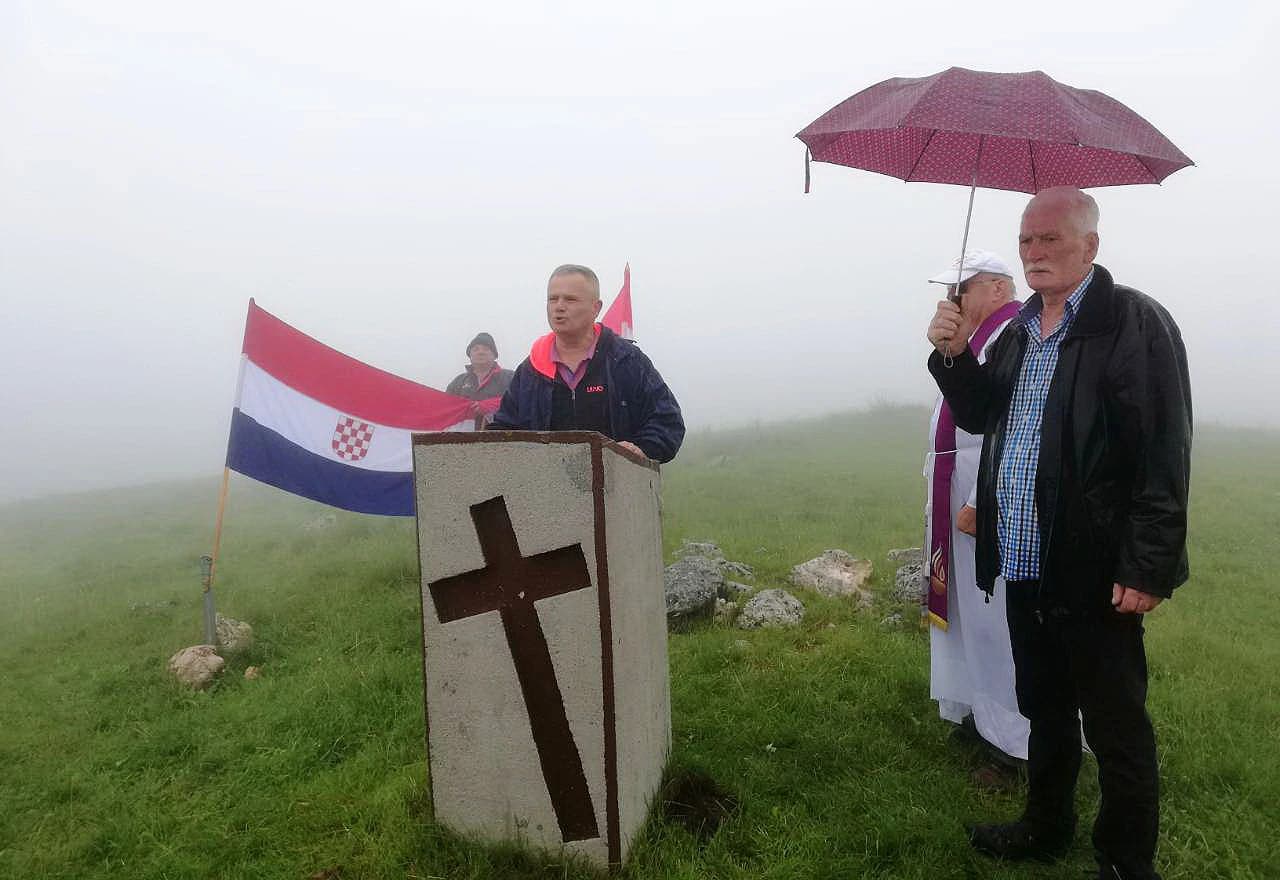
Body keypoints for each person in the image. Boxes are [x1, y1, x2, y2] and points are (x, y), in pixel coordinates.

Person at [926, 187, 1191, 880]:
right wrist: (954, 356)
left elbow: (1164, 450)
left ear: (1090, 246)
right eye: (1026, 241)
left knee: (1116, 725)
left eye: (1051, 239)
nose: (1036, 253)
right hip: (1024, 559)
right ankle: (1045, 827)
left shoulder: (1133, 322)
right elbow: (984, 415)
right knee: (1043, 707)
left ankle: (1125, 862)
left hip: (1096, 564)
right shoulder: (1017, 332)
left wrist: (1148, 564)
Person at [922, 250, 1030, 784]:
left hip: (990, 499)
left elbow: (1013, 425)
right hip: (957, 490)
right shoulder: (980, 338)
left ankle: (1015, 739)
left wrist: (981, 499)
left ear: (995, 288)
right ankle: (977, 711)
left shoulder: (1018, 335)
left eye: (960, 288)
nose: (951, 300)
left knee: (997, 618)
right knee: (964, 612)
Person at [490, 264, 685, 462]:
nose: (559, 306)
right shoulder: (530, 370)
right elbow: (503, 431)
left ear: (596, 308)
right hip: (544, 489)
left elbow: (668, 421)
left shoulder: (627, 361)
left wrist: (642, 448)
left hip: (616, 488)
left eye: (570, 299)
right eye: (553, 299)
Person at [446, 332, 513, 427]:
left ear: (494, 355)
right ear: (470, 356)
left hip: (502, 438)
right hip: (465, 439)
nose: (480, 352)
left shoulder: (510, 377)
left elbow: (521, 402)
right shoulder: (458, 382)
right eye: (475, 349)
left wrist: (492, 406)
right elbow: (446, 408)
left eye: (486, 349)